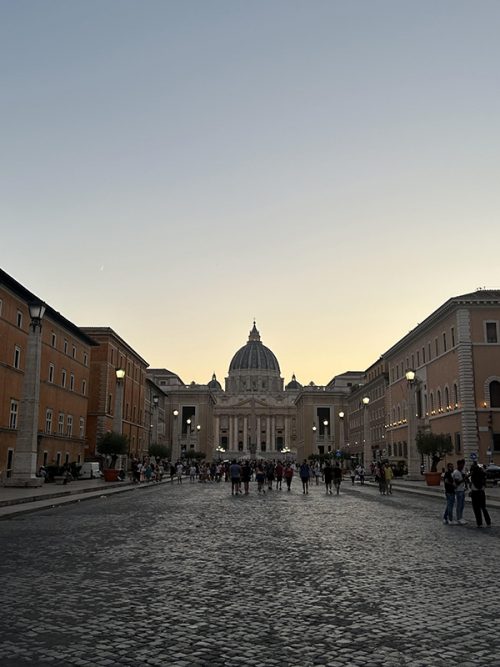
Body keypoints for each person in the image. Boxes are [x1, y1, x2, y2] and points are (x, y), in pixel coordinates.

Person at [469, 462, 491, 528]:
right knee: (483, 508)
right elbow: (484, 484)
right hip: (481, 492)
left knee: (476, 509)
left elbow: (472, 485)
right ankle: (488, 522)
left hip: (475, 493)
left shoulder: (473, 476)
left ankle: (479, 523)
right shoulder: (482, 475)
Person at [453, 459, 468, 524]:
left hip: (462, 490)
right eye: (462, 464)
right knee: (459, 505)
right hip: (458, 490)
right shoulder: (456, 472)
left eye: (463, 464)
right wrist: (464, 478)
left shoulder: (461, 472)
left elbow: (464, 480)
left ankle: (461, 517)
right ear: (459, 464)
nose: (463, 466)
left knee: (462, 505)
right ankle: (459, 518)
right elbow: (457, 482)